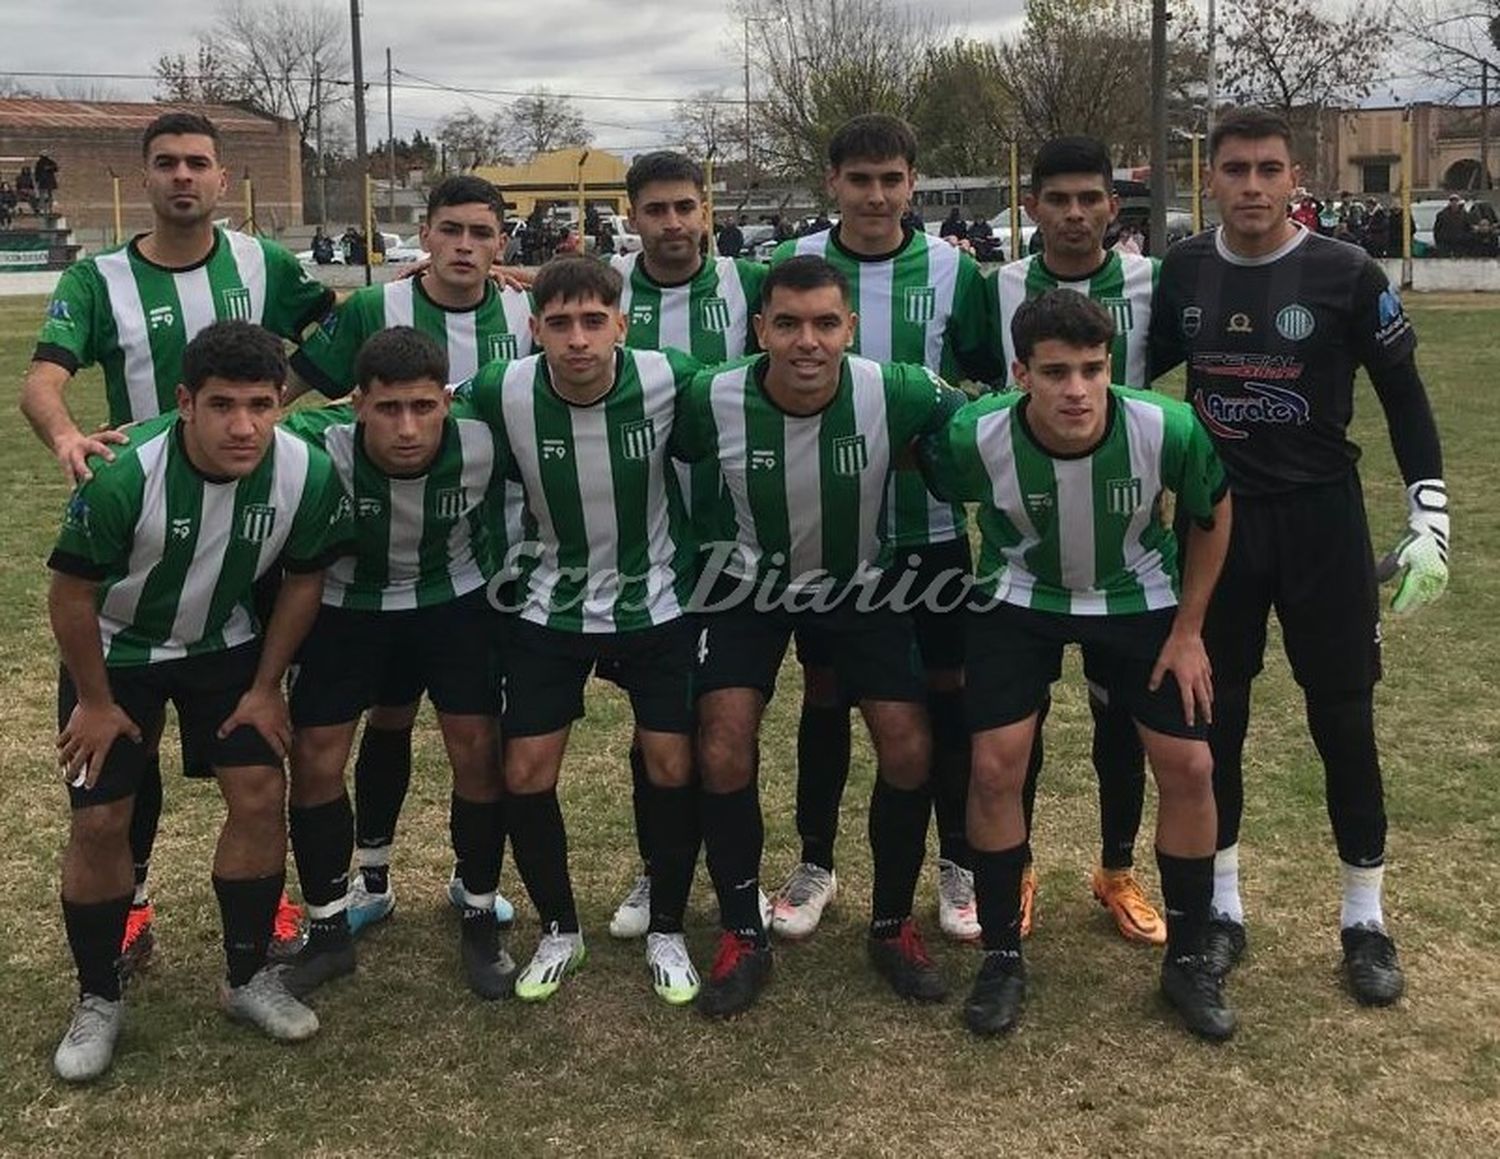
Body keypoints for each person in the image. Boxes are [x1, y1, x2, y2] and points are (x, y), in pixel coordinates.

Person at [21, 110, 335, 975]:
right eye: (167, 164)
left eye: (199, 162)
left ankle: (262, 907)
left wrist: (281, 409)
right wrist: (68, 440)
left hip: (247, 531)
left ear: (223, 180)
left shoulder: (261, 263)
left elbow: (336, 330)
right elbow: (43, 380)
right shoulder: (100, 279)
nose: (184, 177)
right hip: (144, 513)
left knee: (253, 746)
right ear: (145, 179)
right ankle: (130, 906)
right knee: (129, 750)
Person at [1149, 106, 1450, 1007]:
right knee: (1217, 721)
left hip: (1323, 524)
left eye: (1267, 169)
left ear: (1295, 180)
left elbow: (1405, 399)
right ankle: (1224, 911)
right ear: (1212, 179)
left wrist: (1429, 511)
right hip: (1218, 525)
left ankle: (1365, 919)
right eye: (1234, 169)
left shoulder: (1346, 272)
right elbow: (1132, 375)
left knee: (1344, 721)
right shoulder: (1184, 269)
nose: (1250, 186)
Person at [922, 289, 1234, 1040]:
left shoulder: (1168, 426)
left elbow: (1214, 512)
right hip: (1019, 596)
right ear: (1019, 372)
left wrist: (1190, 629)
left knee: (1189, 765)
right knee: (995, 765)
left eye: (1092, 370)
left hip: (1138, 597)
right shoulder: (976, 432)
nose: (1077, 390)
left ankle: (1189, 960)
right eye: (1056, 372)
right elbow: (945, 483)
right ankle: (1001, 955)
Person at [47, 319, 354, 1082]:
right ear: (185, 402)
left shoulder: (306, 473)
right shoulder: (124, 474)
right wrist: (91, 699)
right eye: (222, 405)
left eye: (261, 403)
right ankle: (97, 997)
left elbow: (305, 580)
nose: (244, 424)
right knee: (100, 818)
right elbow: (72, 593)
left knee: (258, 793)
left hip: (226, 645)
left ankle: (247, 976)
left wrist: (263, 686)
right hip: (118, 651)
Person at [674, 255, 967, 1017]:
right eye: (789, 323)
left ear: (851, 329)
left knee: (908, 746)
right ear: (759, 327)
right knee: (722, 739)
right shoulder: (713, 396)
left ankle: (892, 924)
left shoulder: (894, 387)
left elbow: (976, 424)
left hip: (862, 582)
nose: (808, 341)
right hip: (746, 586)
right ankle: (743, 931)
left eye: (826, 323)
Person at [769, 113, 1000, 944]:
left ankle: (957, 862)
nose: (875, 195)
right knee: (827, 692)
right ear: (832, 181)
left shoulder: (952, 270)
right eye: (859, 179)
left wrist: (931, 446)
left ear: (912, 182)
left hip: (929, 527)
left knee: (948, 693)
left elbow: (983, 387)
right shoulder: (793, 270)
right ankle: (817, 860)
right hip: (828, 533)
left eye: (890, 179)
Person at [457, 257, 706, 1007]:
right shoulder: (501, 388)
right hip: (547, 606)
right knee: (525, 773)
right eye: (559, 323)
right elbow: (401, 406)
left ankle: (667, 925)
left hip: (655, 602)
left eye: (593, 321)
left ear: (620, 325)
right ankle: (559, 928)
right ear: (534, 330)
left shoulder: (671, 378)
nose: (576, 339)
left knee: (670, 764)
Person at [287, 174, 530, 932]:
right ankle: (370, 877)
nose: (465, 245)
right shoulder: (372, 308)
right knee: (383, 721)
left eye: (482, 233)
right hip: (358, 570)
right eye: (450, 229)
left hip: (470, 557)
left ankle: (473, 886)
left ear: (501, 242)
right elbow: (289, 387)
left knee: (473, 737)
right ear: (423, 234)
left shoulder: (524, 310)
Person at [278, 327, 514, 1004]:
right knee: (317, 754)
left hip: (453, 600)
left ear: (446, 400)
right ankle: (329, 928)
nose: (406, 427)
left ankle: (477, 909)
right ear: (356, 404)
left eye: (421, 406)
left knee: (476, 748)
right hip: (347, 605)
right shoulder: (313, 444)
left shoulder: (486, 440)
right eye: (387, 409)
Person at [991, 136, 1165, 948]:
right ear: (1032, 207)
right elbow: (977, 386)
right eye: (1055, 198)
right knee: (1013, 728)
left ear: (1111, 205)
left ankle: (1116, 868)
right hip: (1023, 549)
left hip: (1122, 545)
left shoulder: (1150, 283)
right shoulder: (994, 288)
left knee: (1119, 722)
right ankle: (1016, 867)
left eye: (1088, 198)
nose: (1072, 213)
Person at [604, 150, 770, 940]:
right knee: (660, 723)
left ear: (707, 209)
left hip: (736, 540)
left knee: (729, 722)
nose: (672, 223)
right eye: (655, 209)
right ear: (630, 215)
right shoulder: (608, 293)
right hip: (643, 542)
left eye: (685, 207)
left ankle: (747, 873)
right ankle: (656, 867)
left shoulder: (748, 284)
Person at [1433, 193, 1471, 258]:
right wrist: (1439, 241)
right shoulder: (1442, 215)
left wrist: (1465, 238)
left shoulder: (1465, 215)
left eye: (1456, 201)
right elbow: (1437, 229)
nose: (1454, 203)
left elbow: (1468, 228)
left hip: (1460, 244)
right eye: (1452, 201)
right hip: (1445, 244)